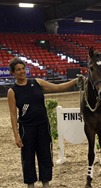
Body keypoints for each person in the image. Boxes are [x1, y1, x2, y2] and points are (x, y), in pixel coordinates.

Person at [7, 57, 79, 188]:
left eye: (23, 68)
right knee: (28, 158)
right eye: (18, 70)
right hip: (26, 129)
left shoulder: (37, 82)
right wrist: (16, 135)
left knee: (45, 155)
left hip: (42, 126)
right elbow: (13, 115)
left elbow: (58, 87)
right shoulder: (12, 91)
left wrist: (75, 81)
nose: (22, 72)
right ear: (13, 73)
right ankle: (30, 184)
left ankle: (46, 183)